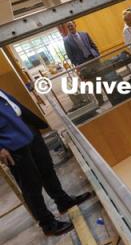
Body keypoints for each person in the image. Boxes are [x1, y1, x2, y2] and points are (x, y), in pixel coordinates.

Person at [0, 90, 92, 236]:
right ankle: (47, 223)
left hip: (26, 128)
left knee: (46, 168)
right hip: (11, 142)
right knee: (31, 185)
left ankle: (63, 201)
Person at [63, 21, 105, 106]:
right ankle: (100, 100)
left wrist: (98, 54)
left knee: (103, 76)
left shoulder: (84, 34)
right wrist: (77, 66)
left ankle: (111, 94)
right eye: (68, 27)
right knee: (92, 83)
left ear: (75, 25)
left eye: (71, 25)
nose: (70, 27)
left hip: (93, 59)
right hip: (83, 63)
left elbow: (93, 45)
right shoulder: (67, 40)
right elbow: (70, 55)